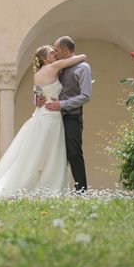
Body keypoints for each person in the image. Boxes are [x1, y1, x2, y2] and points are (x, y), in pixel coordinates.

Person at [0, 45, 88, 200]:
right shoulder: (53, 67)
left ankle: (45, 189)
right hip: (51, 117)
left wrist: (36, 99)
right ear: (45, 58)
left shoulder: (38, 74)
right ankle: (51, 190)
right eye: (52, 53)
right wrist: (79, 56)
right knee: (52, 153)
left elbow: (37, 95)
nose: (55, 54)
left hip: (43, 114)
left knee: (41, 154)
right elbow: (82, 57)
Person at [36, 36, 91, 191]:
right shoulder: (57, 67)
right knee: (55, 155)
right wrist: (37, 98)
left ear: (65, 50)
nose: (54, 51)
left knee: (74, 154)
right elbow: (43, 85)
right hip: (54, 118)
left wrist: (62, 104)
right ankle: (57, 189)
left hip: (72, 116)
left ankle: (82, 192)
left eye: (56, 49)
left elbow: (85, 96)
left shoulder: (83, 68)